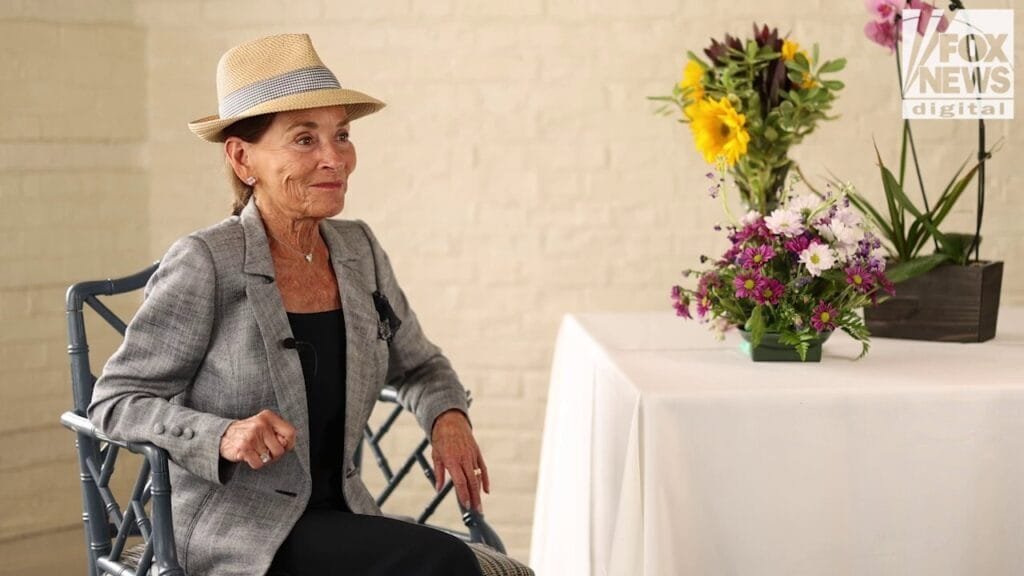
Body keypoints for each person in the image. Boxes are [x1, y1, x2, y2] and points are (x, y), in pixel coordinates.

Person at [88, 33, 490, 576]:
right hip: (236, 527)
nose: (335, 158)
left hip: (340, 512)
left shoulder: (358, 249)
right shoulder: (207, 261)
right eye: (305, 139)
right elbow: (115, 402)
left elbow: (419, 363)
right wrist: (222, 434)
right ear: (242, 157)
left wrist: (448, 416)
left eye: (341, 134)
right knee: (443, 562)